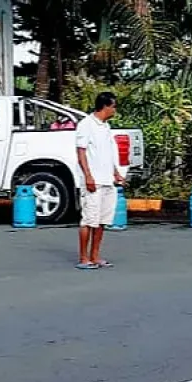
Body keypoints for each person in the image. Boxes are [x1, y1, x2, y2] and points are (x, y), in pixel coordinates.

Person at [73, 91, 122, 270]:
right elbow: (81, 152)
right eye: (113, 106)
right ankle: (83, 258)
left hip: (107, 179)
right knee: (89, 219)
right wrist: (88, 176)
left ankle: (95, 256)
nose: (115, 110)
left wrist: (115, 173)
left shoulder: (106, 126)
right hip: (93, 180)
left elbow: (107, 153)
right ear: (105, 106)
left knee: (102, 220)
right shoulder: (86, 125)